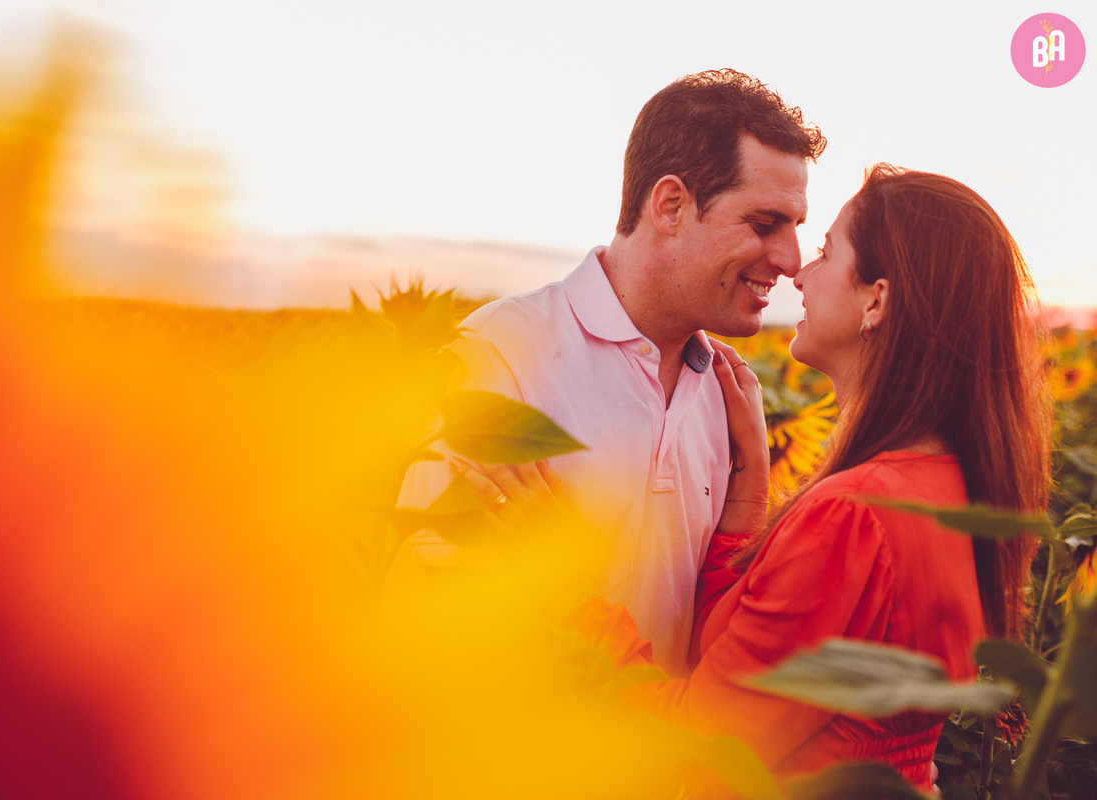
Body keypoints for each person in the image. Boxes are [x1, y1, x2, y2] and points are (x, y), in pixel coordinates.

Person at [455, 164, 1052, 792]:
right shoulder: (944, 484)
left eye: (825, 251)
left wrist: (562, 587)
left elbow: (699, 745)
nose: (799, 271)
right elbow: (751, 663)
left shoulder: (853, 516)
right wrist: (749, 493)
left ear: (876, 300)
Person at [398, 70, 826, 676]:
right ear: (671, 205)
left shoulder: (725, 393)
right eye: (764, 224)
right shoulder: (503, 353)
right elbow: (431, 610)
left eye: (796, 229)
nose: (789, 260)